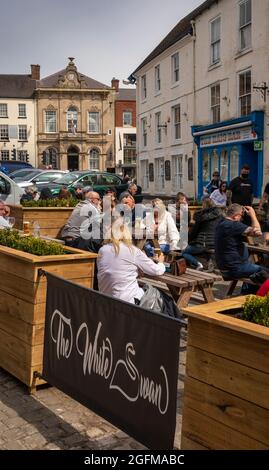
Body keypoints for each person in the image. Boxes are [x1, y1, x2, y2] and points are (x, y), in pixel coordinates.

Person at [97, 218, 166, 304]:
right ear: (126, 233)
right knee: (165, 299)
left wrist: (135, 270)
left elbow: (114, 270)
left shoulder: (102, 250)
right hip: (129, 303)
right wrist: (160, 262)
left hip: (105, 301)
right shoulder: (132, 251)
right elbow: (157, 271)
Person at [215, 203, 263, 280]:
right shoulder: (234, 225)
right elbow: (258, 232)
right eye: (241, 216)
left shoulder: (221, 223)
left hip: (224, 268)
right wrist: (253, 215)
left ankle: (246, 290)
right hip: (235, 269)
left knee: (255, 275)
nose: (242, 219)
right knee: (264, 271)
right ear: (236, 216)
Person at [182, 198, 222, 269]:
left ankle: (198, 264)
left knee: (185, 252)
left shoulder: (201, 216)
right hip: (216, 243)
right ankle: (208, 262)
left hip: (204, 243)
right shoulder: (220, 216)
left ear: (204, 205)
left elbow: (194, 232)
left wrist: (187, 241)